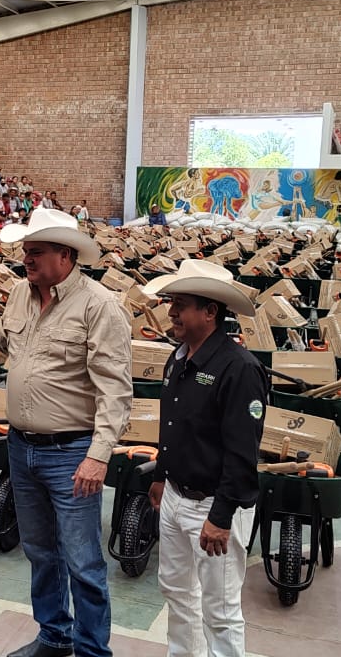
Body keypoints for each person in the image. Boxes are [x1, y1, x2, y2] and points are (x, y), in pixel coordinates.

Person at [0, 208, 132, 657]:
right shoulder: (19, 294)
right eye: (25, 250)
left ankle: (92, 650)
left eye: (37, 251)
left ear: (66, 255)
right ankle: (54, 636)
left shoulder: (98, 305)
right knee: (41, 553)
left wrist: (98, 456)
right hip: (21, 447)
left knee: (83, 561)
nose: (26, 258)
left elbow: (115, 390)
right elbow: (2, 337)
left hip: (72, 453)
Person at [142, 260, 266, 657]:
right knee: (177, 591)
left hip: (213, 506)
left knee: (221, 610)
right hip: (175, 497)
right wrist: (162, 476)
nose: (171, 312)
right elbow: (173, 424)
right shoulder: (179, 357)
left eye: (180, 304)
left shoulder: (239, 368)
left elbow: (242, 452)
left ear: (210, 311)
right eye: (171, 303)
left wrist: (221, 516)